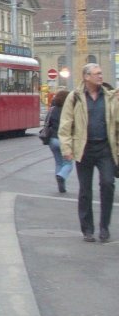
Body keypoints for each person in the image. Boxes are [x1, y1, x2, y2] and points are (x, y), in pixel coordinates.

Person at [58, 63, 119, 243]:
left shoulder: (109, 96)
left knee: (108, 184)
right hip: (83, 149)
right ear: (86, 77)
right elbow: (65, 124)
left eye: (101, 73)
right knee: (85, 190)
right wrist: (67, 148)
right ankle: (87, 229)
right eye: (97, 74)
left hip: (105, 149)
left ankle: (104, 227)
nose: (101, 76)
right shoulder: (75, 97)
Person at [45, 89, 73, 193]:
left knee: (58, 163)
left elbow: (47, 123)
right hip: (63, 140)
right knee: (68, 164)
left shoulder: (52, 109)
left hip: (52, 140)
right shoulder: (69, 110)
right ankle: (61, 176)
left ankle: (61, 186)